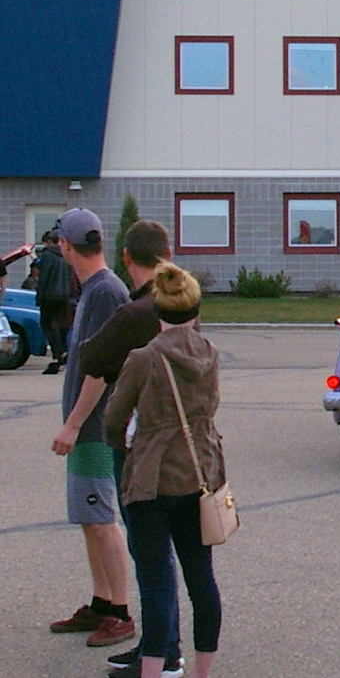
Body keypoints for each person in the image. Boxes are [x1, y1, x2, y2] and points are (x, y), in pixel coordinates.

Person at [104, 262, 225, 678]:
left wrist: (128, 445)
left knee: (156, 582)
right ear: (195, 311)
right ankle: (202, 671)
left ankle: (154, 670)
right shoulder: (209, 354)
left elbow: (113, 418)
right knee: (201, 578)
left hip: (152, 480)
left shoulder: (144, 358)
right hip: (197, 475)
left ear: (158, 312)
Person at [79, 221, 186, 678]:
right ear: (167, 252)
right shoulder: (185, 305)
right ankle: (164, 646)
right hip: (179, 444)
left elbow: (89, 356)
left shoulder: (135, 313)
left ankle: (160, 656)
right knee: (168, 556)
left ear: (127, 258)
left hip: (138, 445)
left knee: (151, 555)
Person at [48, 208, 135, 648]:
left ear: (66, 244)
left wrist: (73, 424)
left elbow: (100, 371)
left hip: (97, 430)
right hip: (86, 430)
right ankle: (101, 602)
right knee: (88, 517)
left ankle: (120, 613)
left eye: (59, 240)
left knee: (101, 519)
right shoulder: (93, 290)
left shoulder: (104, 293)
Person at [35, 229, 74, 374]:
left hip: (49, 296)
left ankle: (59, 353)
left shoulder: (47, 255)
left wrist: (39, 297)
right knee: (60, 326)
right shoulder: (65, 255)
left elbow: (43, 278)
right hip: (64, 296)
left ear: (49, 241)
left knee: (47, 324)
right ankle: (61, 354)